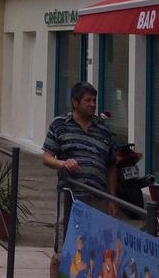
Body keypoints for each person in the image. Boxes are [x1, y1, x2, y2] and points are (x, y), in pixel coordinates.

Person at [43, 81, 117, 278]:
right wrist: (63, 164)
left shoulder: (104, 129)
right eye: (87, 100)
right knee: (63, 249)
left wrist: (111, 198)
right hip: (70, 196)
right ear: (74, 102)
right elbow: (47, 157)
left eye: (94, 100)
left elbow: (111, 165)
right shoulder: (59, 125)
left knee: (95, 250)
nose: (92, 104)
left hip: (98, 197)